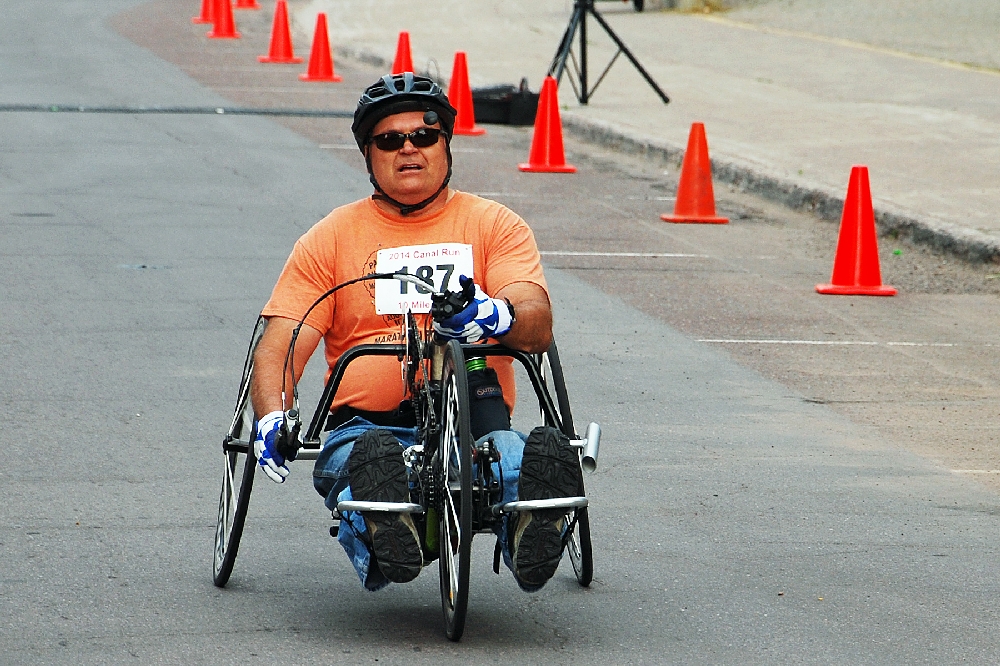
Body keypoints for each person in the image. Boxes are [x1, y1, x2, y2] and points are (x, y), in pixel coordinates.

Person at [249, 73, 582, 592]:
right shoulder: (330, 237)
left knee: (515, 460)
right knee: (365, 465)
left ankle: (530, 534)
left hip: (477, 419)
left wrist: (495, 315)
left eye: (424, 137)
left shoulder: (496, 225)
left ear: (446, 146)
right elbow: (283, 338)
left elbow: (536, 315)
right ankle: (386, 533)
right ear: (368, 154)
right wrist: (271, 415)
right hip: (364, 425)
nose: (409, 149)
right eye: (390, 140)